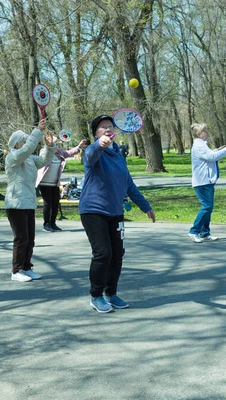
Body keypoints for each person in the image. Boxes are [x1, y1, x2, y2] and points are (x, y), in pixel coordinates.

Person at [80, 115, 156, 313]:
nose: (106, 129)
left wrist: (145, 206)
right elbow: (89, 155)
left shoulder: (119, 155)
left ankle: (110, 293)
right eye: (102, 127)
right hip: (93, 210)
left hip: (115, 211)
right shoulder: (94, 151)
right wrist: (99, 145)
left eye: (109, 126)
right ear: (96, 133)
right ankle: (96, 295)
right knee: (103, 254)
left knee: (117, 255)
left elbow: (128, 184)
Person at [5, 119, 57, 282]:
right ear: (17, 144)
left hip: (27, 202)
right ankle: (16, 270)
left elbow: (44, 161)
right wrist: (38, 131)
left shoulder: (29, 159)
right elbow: (27, 150)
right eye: (25, 140)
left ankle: (26, 267)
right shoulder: (13, 157)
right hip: (15, 203)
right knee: (21, 239)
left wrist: (49, 146)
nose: (28, 142)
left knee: (30, 239)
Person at [188, 123, 226, 243]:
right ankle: (194, 231)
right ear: (199, 134)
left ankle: (205, 233)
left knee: (208, 208)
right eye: (205, 131)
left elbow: (210, 154)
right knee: (207, 206)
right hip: (202, 181)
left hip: (206, 181)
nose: (207, 133)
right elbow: (212, 157)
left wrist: (217, 150)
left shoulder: (201, 145)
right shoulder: (199, 145)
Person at [36, 137, 87, 232]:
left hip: (54, 183)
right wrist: (49, 146)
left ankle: (53, 223)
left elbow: (69, 153)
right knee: (48, 204)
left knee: (55, 203)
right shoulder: (44, 151)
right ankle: (46, 224)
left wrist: (79, 146)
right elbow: (44, 156)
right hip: (44, 183)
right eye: (55, 143)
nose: (57, 145)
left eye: (57, 143)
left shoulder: (59, 153)